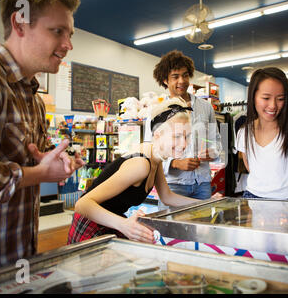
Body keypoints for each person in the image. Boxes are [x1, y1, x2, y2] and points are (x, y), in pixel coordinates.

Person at [0, 0, 83, 277]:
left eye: (70, 33)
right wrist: (40, 174)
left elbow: (35, 161)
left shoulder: (33, 97)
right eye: (57, 31)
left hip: (16, 263)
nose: (68, 44)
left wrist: (59, 162)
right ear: (20, 23)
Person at [68, 98, 200, 244]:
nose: (184, 144)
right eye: (177, 136)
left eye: (187, 136)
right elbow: (82, 204)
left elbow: (167, 197)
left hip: (110, 221)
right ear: (157, 135)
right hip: (91, 223)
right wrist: (124, 225)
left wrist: (207, 203)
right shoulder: (141, 164)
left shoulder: (155, 157)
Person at [149, 50, 221, 207]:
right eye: (175, 76)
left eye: (185, 75)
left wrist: (213, 152)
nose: (182, 80)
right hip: (173, 184)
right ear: (165, 80)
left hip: (202, 183)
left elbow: (216, 141)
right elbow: (151, 151)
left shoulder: (205, 108)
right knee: (171, 228)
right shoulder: (158, 111)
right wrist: (175, 163)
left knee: (203, 227)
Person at [236, 67, 288, 199]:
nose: (273, 105)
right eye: (266, 98)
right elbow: (249, 166)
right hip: (253, 196)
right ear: (253, 97)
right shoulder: (244, 132)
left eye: (280, 99)